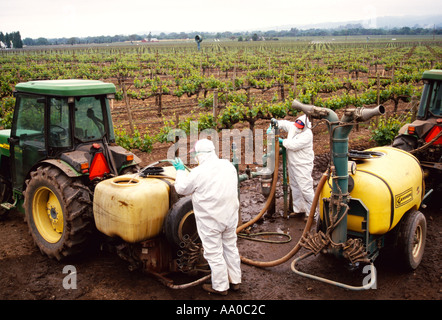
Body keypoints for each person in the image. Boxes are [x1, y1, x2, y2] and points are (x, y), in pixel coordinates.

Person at [172, 139, 241, 295]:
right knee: (230, 247)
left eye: (195, 154)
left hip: (211, 220)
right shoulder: (228, 166)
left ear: (200, 154)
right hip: (230, 216)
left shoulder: (198, 172)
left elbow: (182, 188)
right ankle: (235, 281)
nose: (194, 157)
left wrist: (180, 170)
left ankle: (220, 287)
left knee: (213, 252)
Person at [269, 115, 316, 220]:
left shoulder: (307, 135)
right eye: (297, 125)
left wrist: (281, 141)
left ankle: (311, 213)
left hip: (303, 165)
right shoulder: (294, 127)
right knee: (295, 187)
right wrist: (274, 124)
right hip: (293, 163)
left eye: (300, 126)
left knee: (305, 188)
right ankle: (299, 210)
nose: (297, 127)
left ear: (305, 126)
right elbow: (285, 124)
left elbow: (293, 145)